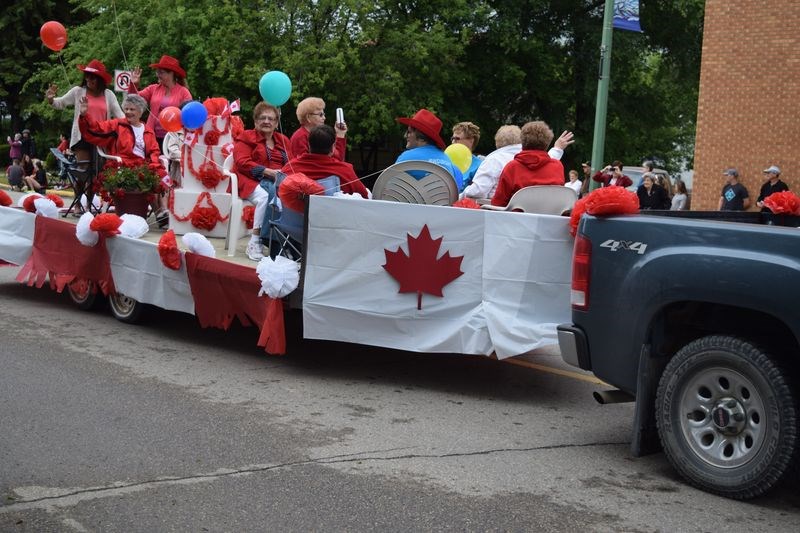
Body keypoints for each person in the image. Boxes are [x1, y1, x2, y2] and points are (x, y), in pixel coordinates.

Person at [79, 93, 168, 219]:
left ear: (140, 111)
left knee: (163, 175)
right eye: (126, 109)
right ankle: (159, 213)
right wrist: (84, 115)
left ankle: (162, 210)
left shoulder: (148, 130)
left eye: (132, 109)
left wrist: (154, 163)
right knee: (146, 176)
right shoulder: (117, 125)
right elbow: (96, 129)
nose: (128, 112)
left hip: (145, 164)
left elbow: (154, 150)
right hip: (123, 164)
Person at [46, 59, 125, 182]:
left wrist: (132, 122)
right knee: (83, 171)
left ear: (100, 80)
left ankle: (89, 201)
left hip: (101, 137)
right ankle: (78, 200)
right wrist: (51, 99)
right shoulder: (78, 91)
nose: (89, 80)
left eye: (92, 78)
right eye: (87, 76)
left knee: (98, 173)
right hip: (81, 137)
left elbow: (120, 116)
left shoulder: (109, 94)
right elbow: (60, 103)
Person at [233, 102, 293, 261]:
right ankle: (256, 242)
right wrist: (267, 172)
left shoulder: (283, 140)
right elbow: (242, 162)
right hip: (251, 180)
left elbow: (292, 163)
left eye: (271, 119)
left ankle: (282, 242)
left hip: (280, 181)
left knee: (292, 196)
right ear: (255, 121)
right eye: (262, 118)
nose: (267, 121)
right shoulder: (246, 137)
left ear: (276, 123)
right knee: (267, 197)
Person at [462, 126, 572, 200]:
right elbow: (549, 160)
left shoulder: (494, 160)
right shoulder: (539, 160)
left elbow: (477, 192)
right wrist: (557, 148)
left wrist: (459, 196)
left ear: (497, 143)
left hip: (501, 213)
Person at [490, 121, 565, 206]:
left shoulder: (512, 167)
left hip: (516, 218)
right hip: (549, 217)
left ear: (522, 141)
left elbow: (498, 202)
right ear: (547, 143)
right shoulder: (557, 167)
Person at [281, 125, 369, 198]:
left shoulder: (290, 168)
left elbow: (278, 193)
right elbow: (364, 196)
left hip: (294, 218)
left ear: (309, 145)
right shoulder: (344, 171)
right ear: (333, 147)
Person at [128, 55, 192, 150]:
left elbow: (188, 115)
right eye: (157, 72)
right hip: (151, 136)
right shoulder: (153, 88)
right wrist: (134, 84)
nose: (157, 74)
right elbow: (133, 100)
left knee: (169, 164)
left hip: (173, 139)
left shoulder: (183, 92)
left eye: (161, 72)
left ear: (171, 74)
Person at [394, 109, 464, 189]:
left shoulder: (405, 157)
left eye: (409, 132)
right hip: (441, 201)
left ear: (421, 138)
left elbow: (390, 186)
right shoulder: (447, 160)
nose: (405, 135)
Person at [451, 121, 482, 187]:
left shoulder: (479, 166)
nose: (453, 142)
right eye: (452, 139)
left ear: (471, 140)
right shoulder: (447, 160)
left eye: (457, 139)